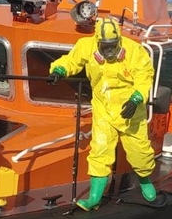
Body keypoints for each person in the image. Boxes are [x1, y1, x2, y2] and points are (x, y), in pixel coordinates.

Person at [48, 17, 157, 209]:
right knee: (100, 150)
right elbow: (71, 60)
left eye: (112, 46)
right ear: (97, 41)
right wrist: (58, 70)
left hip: (130, 109)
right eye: (105, 46)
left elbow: (144, 76)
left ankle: (145, 180)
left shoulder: (134, 50)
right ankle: (94, 197)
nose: (108, 51)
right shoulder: (86, 46)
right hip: (103, 108)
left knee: (139, 150)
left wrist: (136, 98)